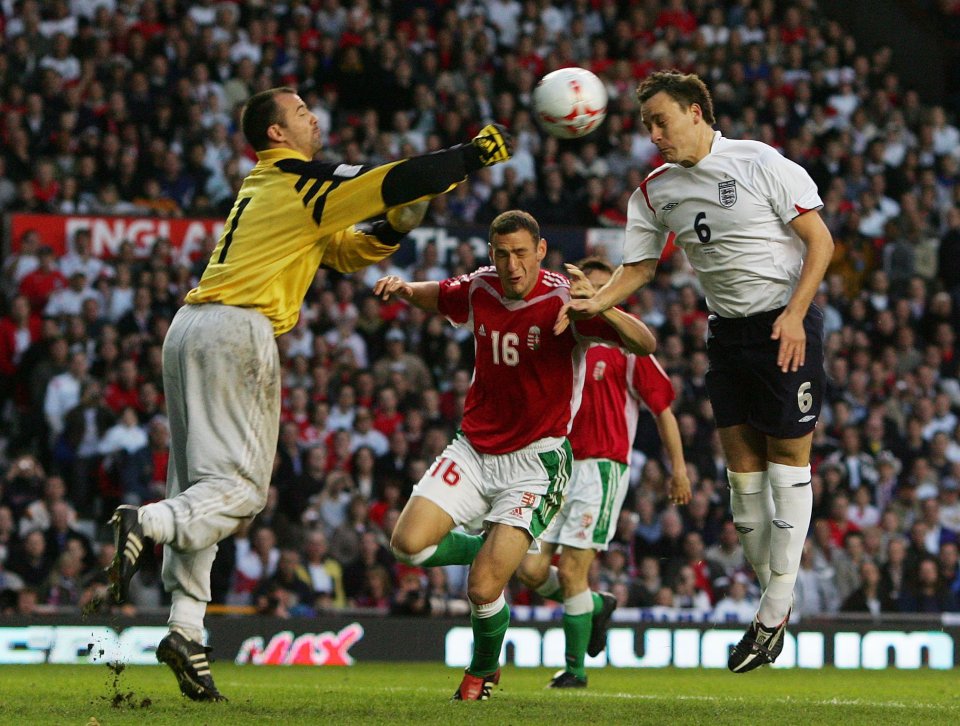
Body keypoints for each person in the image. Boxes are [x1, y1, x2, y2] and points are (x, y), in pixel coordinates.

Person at [105, 86, 514, 701]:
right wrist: (468, 158)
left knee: (198, 489)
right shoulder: (299, 179)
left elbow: (351, 250)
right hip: (236, 330)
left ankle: (186, 630)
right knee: (239, 492)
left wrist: (401, 218)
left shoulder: (275, 193)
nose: (312, 117)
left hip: (190, 328)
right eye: (299, 112)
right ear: (276, 133)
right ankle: (148, 523)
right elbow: (391, 179)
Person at [556, 71, 834, 674]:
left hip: (784, 325)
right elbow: (637, 268)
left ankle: (770, 613)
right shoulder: (655, 193)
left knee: (787, 469)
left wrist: (794, 315)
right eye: (647, 125)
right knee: (743, 492)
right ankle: (776, 604)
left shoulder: (758, 161)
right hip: (727, 334)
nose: (653, 134)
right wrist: (594, 303)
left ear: (696, 111)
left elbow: (821, 242)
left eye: (662, 121)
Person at [374, 210, 656, 701]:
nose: (512, 265)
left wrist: (602, 307)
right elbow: (437, 294)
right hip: (474, 450)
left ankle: (481, 673)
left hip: (535, 462)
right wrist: (403, 288)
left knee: (484, 588)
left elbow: (645, 342)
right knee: (408, 546)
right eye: (502, 254)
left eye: (522, 253)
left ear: (540, 251)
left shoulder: (565, 301)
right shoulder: (481, 287)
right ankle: (493, 550)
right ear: (491, 255)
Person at [516, 257, 691, 689]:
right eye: (580, 286)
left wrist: (679, 470)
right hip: (555, 466)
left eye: (596, 287)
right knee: (531, 571)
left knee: (573, 571)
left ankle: (574, 671)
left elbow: (663, 410)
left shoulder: (623, 346)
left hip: (602, 468)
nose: (586, 293)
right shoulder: (560, 338)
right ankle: (594, 605)